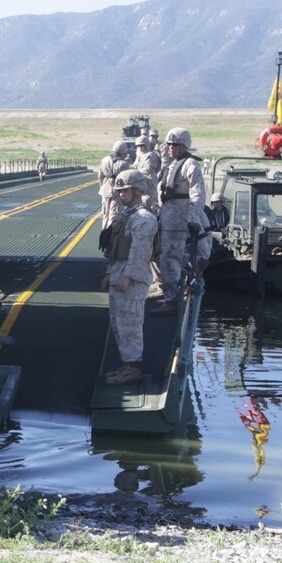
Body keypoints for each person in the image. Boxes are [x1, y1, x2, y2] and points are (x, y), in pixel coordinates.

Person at [101, 169, 158, 386]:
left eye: (126, 191)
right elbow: (115, 248)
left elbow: (140, 251)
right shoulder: (127, 216)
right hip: (119, 272)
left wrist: (127, 276)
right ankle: (127, 364)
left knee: (130, 323)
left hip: (131, 279)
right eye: (121, 191)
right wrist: (110, 273)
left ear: (137, 191)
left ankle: (133, 368)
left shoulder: (144, 219)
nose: (122, 195)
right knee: (119, 323)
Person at [154, 127, 206, 314]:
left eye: (174, 145)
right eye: (168, 144)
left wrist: (193, 219)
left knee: (169, 259)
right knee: (163, 256)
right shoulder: (173, 164)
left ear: (184, 146)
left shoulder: (190, 165)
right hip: (168, 218)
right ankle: (170, 291)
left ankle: (172, 301)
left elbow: (197, 194)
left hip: (179, 220)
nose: (170, 148)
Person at [96, 139, 136, 227]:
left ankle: (104, 234)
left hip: (105, 190)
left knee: (105, 215)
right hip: (116, 192)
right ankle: (111, 236)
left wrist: (102, 187)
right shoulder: (123, 164)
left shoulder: (105, 160)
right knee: (114, 215)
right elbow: (128, 177)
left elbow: (100, 176)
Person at [134, 136, 163, 209]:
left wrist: (136, 173)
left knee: (149, 203)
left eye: (142, 146)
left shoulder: (150, 155)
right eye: (138, 146)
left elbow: (148, 169)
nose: (140, 148)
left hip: (149, 182)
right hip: (142, 182)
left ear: (146, 145)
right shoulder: (140, 155)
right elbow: (135, 165)